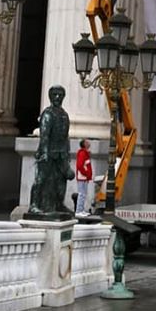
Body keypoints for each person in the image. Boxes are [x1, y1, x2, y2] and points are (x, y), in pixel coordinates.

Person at [28, 84, 75, 217]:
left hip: (61, 154)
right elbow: (44, 135)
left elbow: (65, 137)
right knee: (41, 179)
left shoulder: (64, 115)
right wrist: (44, 152)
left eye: (60, 95)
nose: (57, 97)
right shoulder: (48, 114)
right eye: (55, 94)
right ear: (50, 96)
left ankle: (58, 204)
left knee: (60, 182)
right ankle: (34, 205)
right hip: (48, 153)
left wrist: (67, 154)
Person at [75, 138, 93, 216]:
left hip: (84, 177)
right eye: (87, 142)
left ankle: (81, 209)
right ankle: (79, 211)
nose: (89, 143)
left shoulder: (85, 153)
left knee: (83, 194)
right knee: (81, 194)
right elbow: (80, 165)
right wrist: (86, 173)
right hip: (82, 177)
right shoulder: (82, 153)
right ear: (84, 144)